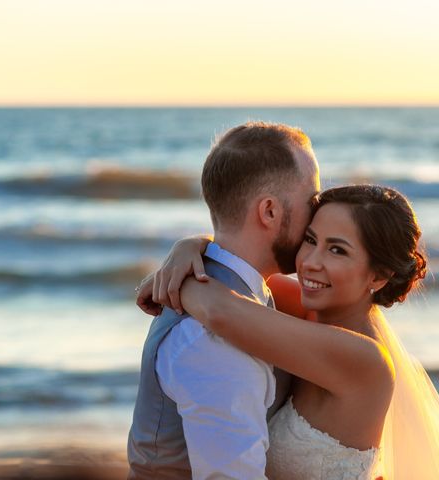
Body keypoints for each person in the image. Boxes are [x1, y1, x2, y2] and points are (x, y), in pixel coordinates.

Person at [140, 185, 439, 479]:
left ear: (378, 276)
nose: (310, 262)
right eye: (310, 240)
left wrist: (173, 282)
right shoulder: (309, 310)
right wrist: (192, 245)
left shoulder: (365, 359)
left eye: (337, 250)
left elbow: (220, 310)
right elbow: (240, 269)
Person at [127, 121, 320, 479]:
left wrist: (195, 242)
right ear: (269, 212)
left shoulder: (248, 292)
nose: (317, 217)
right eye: (312, 201)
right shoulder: (212, 343)